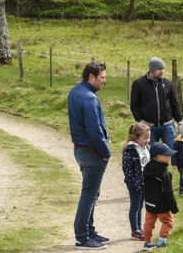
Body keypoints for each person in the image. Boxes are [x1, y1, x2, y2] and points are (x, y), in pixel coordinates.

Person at [67, 61, 111, 250]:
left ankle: (90, 231)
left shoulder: (75, 92)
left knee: (91, 193)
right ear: (91, 77)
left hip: (80, 150)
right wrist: (106, 153)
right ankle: (83, 238)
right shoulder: (90, 99)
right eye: (102, 78)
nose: (104, 81)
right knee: (89, 194)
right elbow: (95, 132)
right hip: (91, 152)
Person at [130, 57, 182, 145]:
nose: (162, 71)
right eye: (160, 69)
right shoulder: (139, 84)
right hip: (149, 127)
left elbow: (174, 104)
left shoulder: (168, 84)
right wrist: (141, 121)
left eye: (163, 68)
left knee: (174, 153)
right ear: (152, 70)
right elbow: (134, 106)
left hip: (168, 126)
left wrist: (180, 122)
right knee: (151, 155)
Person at [143, 142, 179, 249]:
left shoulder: (146, 168)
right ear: (159, 157)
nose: (170, 156)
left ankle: (148, 243)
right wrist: (173, 207)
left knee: (148, 223)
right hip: (162, 205)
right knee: (168, 222)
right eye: (167, 155)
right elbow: (168, 192)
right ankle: (162, 242)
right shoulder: (165, 174)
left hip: (149, 203)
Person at [122, 122, 151, 241]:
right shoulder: (130, 150)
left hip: (144, 182)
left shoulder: (146, 147)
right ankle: (135, 230)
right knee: (135, 206)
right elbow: (127, 169)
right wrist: (135, 183)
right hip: (134, 183)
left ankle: (139, 227)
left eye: (149, 137)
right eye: (145, 138)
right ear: (136, 137)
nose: (147, 140)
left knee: (140, 206)